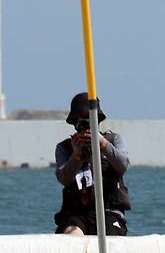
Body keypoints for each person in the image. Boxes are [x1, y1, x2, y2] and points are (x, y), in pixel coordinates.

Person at [54, 92, 130, 236]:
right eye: (81, 123)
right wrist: (76, 157)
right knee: (72, 234)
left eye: (89, 122)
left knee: (109, 238)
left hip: (108, 212)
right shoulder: (64, 148)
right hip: (76, 213)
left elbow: (123, 165)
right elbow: (63, 178)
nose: (85, 128)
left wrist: (102, 144)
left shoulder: (113, 140)